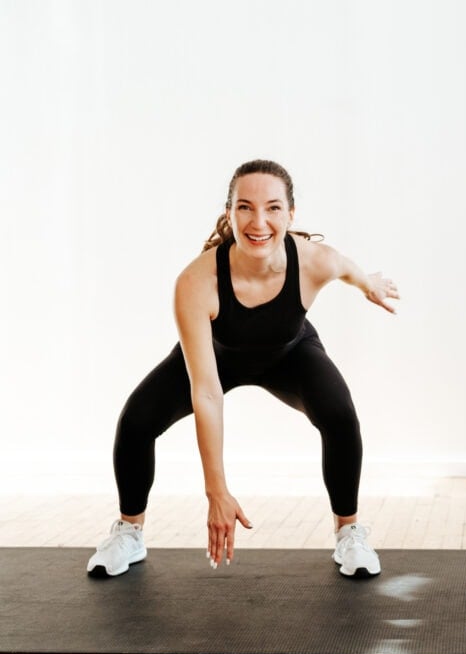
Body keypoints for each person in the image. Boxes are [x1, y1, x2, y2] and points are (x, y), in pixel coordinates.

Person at [87, 159, 399, 579]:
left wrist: (370, 285)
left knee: (340, 416)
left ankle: (349, 533)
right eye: (245, 207)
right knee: (137, 421)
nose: (259, 221)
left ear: (290, 215)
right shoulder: (197, 282)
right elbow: (207, 392)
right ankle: (129, 532)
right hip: (217, 355)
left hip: (290, 354)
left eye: (273, 208)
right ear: (229, 213)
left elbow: (347, 269)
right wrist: (216, 489)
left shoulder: (314, 261)